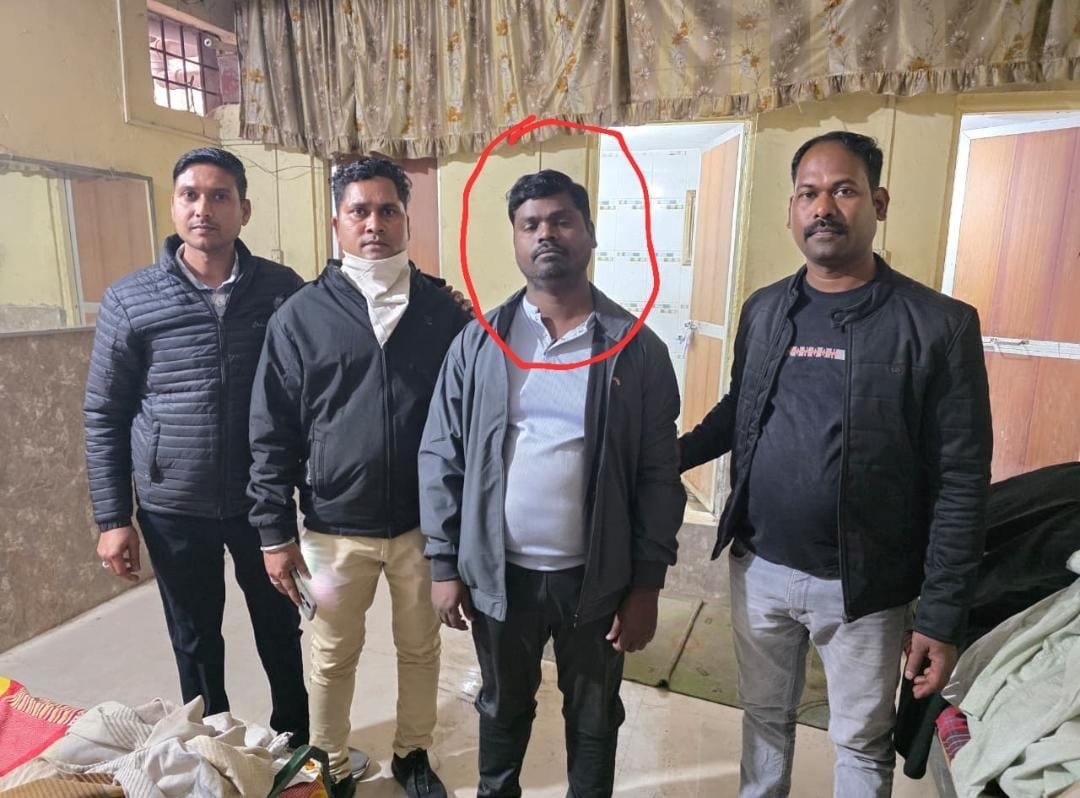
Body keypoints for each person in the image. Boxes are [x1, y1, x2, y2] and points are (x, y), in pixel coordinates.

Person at [678, 131, 993, 797]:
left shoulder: (938, 326)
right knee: (763, 719)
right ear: (791, 210)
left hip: (865, 587)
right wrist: (662, 458)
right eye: (808, 193)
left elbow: (963, 481)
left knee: (860, 742)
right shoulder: (766, 309)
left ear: (878, 202)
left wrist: (941, 615)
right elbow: (741, 409)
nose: (823, 207)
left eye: (843, 190)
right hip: (759, 567)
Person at [419, 169, 686, 797]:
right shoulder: (479, 343)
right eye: (530, 224)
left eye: (562, 220)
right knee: (501, 706)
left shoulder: (637, 350)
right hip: (500, 574)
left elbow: (658, 476)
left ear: (589, 232)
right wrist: (443, 561)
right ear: (515, 240)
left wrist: (646, 584)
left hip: (597, 579)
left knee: (594, 716)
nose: (546, 234)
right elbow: (441, 453)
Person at [248, 156, 467, 798]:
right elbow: (271, 430)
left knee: (421, 649)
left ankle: (412, 753)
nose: (374, 223)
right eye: (359, 211)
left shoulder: (443, 313)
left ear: (407, 220)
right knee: (331, 653)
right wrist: (273, 532)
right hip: (331, 529)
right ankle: (329, 762)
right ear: (337, 222)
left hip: (424, 529)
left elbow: (467, 421)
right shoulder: (300, 317)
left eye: (388, 210)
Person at [84, 147, 309, 745]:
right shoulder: (131, 300)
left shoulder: (282, 291)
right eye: (190, 195)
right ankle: (213, 747)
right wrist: (114, 518)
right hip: (173, 505)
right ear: (174, 205)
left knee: (280, 626)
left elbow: (306, 396)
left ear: (244, 210)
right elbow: (105, 413)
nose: (202, 208)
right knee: (195, 637)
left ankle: (296, 741)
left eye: (219, 196)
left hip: (261, 501)